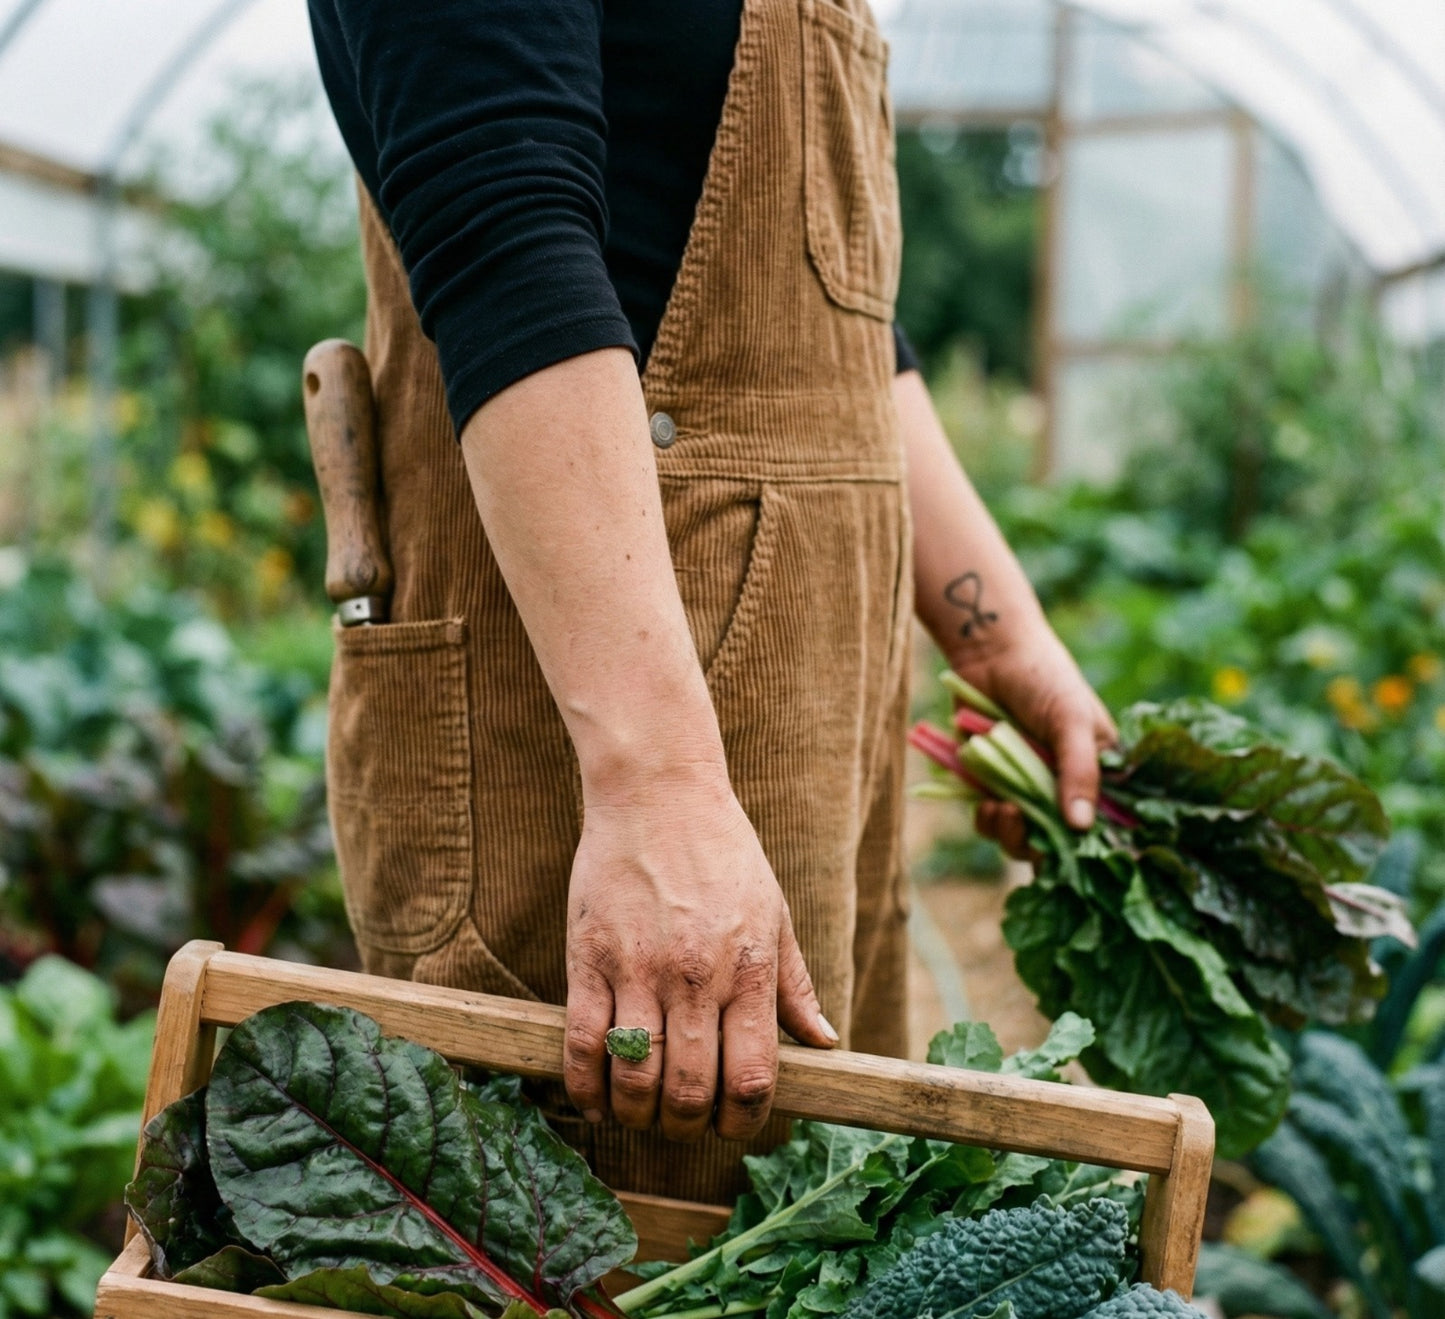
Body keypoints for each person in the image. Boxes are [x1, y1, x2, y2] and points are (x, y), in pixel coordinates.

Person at [308, 0, 1116, 1201]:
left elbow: (844, 329)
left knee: (814, 1212)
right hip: (595, 718)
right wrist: (657, 782)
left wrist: (1000, 632)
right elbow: (503, 231)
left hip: (806, 695)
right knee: (630, 1229)